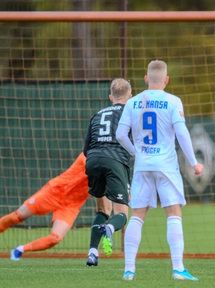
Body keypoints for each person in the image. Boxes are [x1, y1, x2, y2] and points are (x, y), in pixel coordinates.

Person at [116, 60, 203, 281]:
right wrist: (194, 163)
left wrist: (136, 152)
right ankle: (178, 269)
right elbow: (182, 134)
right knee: (173, 213)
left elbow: (120, 135)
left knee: (137, 215)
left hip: (143, 165)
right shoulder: (173, 101)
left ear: (146, 79)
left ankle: (129, 270)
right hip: (166, 166)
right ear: (166, 80)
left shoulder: (133, 102)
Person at [0, 153, 89, 260]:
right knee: (17, 216)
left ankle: (20, 249)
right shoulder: (88, 155)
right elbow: (94, 167)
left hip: (71, 205)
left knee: (55, 239)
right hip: (54, 192)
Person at [83, 78, 132, 266]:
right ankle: (110, 228)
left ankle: (92, 253)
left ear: (110, 96)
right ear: (130, 96)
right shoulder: (130, 112)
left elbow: (86, 149)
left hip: (93, 160)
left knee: (103, 209)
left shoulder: (97, 115)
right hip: (115, 161)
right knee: (121, 213)